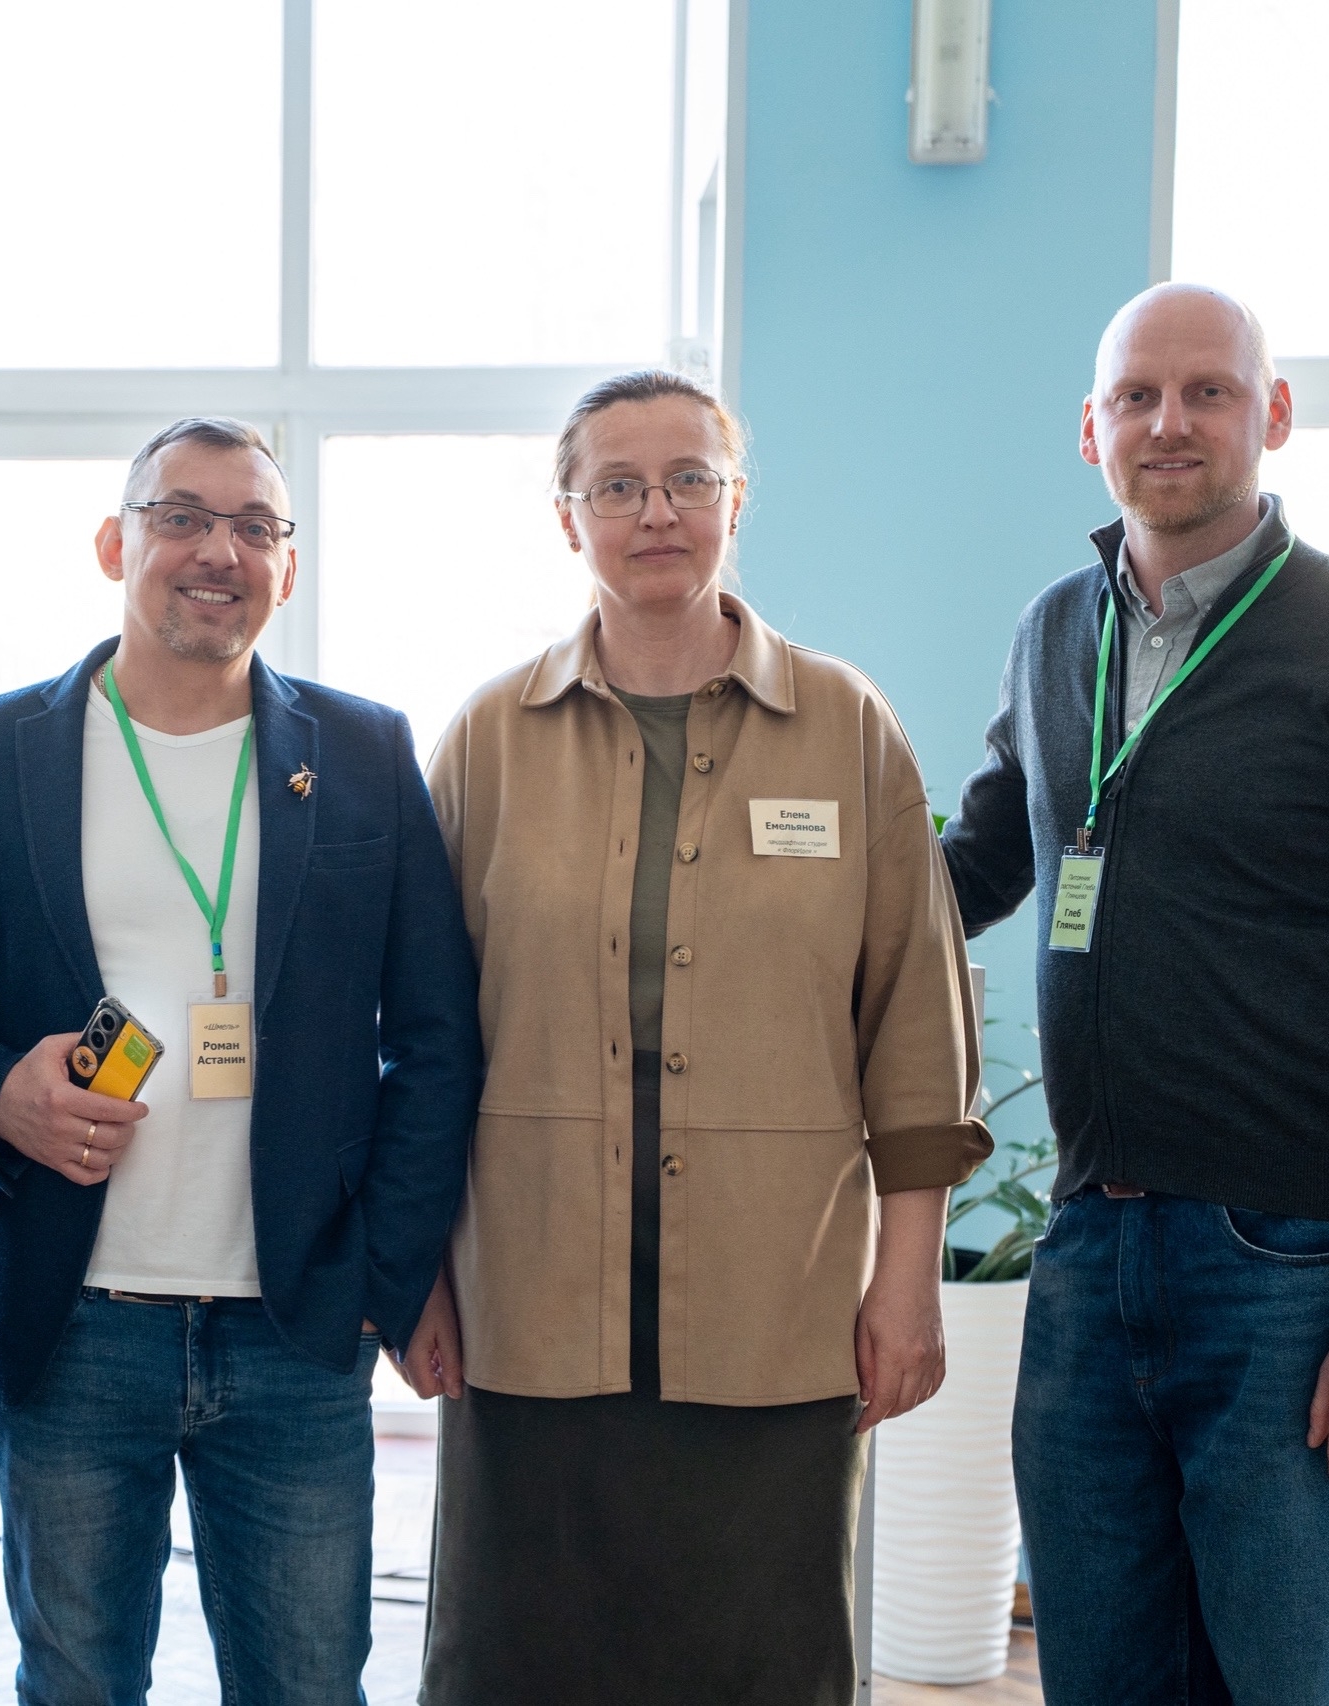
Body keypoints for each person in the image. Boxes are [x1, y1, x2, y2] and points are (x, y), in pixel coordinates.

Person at [941, 284, 1329, 1702]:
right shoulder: (1055, 631)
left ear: (1274, 414)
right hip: (1088, 1250)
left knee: (1297, 1677)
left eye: (1208, 390)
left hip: (1293, 1271)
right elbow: (977, 863)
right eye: (1136, 395)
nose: (1169, 421)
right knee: (1103, 1671)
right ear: (1089, 429)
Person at [414, 370, 992, 1705]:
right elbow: (424, 1043)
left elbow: (916, 1033)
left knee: (759, 1666)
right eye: (617, 485)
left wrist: (906, 1282)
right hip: (527, 1313)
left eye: (689, 479)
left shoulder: (848, 729)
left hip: (774, 1314)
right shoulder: (488, 741)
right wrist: (419, 1272)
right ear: (568, 517)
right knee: (517, 1667)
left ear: (738, 501)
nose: (656, 512)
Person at [0, 417, 483, 1706]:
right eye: (181, 517)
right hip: (67, 1317)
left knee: (307, 1685)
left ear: (289, 564)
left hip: (296, 1322)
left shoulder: (364, 752)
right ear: (115, 544)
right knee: (76, 1682)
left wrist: (384, 1277)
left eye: (253, 526)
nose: (219, 550)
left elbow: (435, 1037)